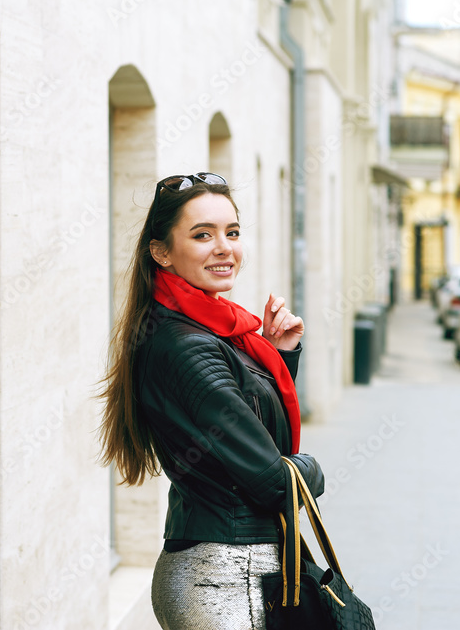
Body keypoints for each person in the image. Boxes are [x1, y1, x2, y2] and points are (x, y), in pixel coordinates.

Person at [99, 172, 325, 630]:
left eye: (232, 232)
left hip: (232, 568)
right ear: (161, 251)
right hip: (225, 581)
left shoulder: (209, 331)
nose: (224, 247)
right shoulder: (189, 346)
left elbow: (244, 434)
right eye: (202, 235)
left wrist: (279, 359)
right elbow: (271, 481)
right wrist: (312, 469)